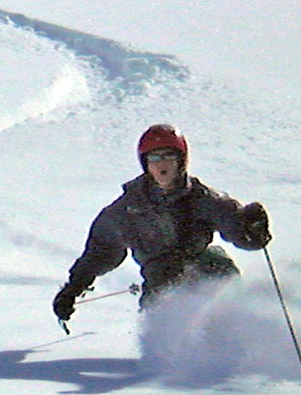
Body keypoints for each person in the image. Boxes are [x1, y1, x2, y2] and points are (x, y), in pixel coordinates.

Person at [53, 124, 271, 320]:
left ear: (181, 161)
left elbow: (241, 234)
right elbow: (100, 251)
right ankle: (168, 351)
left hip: (202, 263)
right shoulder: (128, 208)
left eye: (168, 156)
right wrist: (72, 289)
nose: (161, 164)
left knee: (220, 269)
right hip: (160, 277)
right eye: (154, 158)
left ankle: (236, 336)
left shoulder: (203, 199)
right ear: (146, 164)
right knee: (164, 289)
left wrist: (251, 228)